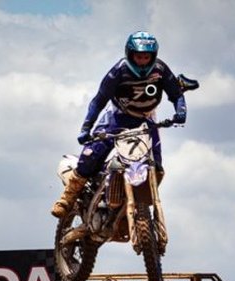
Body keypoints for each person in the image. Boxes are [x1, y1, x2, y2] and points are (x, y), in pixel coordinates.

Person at [51, 30, 199, 218]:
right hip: (118, 117)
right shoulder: (118, 71)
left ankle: (140, 203)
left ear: (153, 56)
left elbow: (176, 94)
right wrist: (86, 128)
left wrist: (181, 112)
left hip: (147, 120)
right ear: (130, 54)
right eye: (139, 57)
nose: (143, 61)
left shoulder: (160, 70)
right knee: (92, 153)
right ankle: (67, 198)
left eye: (146, 57)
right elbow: (99, 100)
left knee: (158, 166)